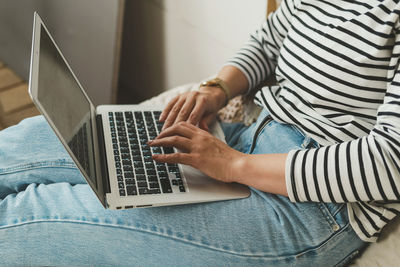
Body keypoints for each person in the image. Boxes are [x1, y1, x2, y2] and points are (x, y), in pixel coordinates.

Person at [1, 0, 399, 265]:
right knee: (20, 147)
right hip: (241, 131)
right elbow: (272, 38)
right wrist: (218, 89)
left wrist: (234, 165)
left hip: (311, 205)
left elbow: (389, 164)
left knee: (31, 212)